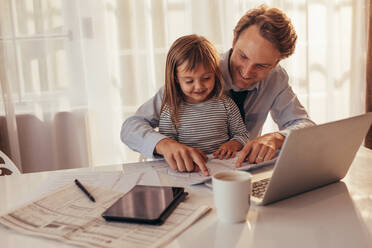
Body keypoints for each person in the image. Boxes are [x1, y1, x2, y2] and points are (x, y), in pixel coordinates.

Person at [121, 5, 315, 175]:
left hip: (240, 174)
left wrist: (278, 137)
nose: (247, 73)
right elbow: (131, 127)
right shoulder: (200, 71)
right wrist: (164, 144)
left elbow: (305, 125)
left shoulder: (276, 79)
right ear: (234, 40)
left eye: (261, 66)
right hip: (183, 173)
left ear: (276, 63)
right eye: (243, 56)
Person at [159, 34, 250, 175]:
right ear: (176, 79)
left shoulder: (225, 104)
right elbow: (169, 145)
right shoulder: (171, 110)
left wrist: (233, 144)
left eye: (206, 78)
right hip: (189, 171)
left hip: (225, 169)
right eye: (189, 81)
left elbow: (242, 134)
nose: (198, 86)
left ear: (215, 74)